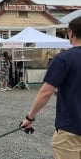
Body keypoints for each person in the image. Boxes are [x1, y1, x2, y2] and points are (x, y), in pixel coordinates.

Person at [21, 16, 81, 158]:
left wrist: (30, 118)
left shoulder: (63, 59)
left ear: (70, 33)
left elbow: (46, 92)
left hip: (71, 128)